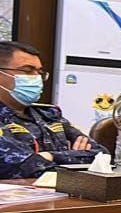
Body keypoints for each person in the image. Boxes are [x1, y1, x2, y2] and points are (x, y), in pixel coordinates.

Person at [0, 40, 107, 178]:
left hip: (66, 190)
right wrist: (73, 157)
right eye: (27, 70)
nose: (37, 77)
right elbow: (25, 166)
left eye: (39, 72)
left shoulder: (49, 114)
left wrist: (50, 156)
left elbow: (102, 156)